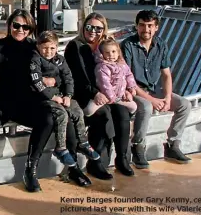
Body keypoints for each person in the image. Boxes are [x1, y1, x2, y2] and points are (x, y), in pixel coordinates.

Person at [0, 9, 92, 191]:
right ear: (9, 25)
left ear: (31, 28)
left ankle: (71, 167)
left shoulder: (35, 46)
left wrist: (55, 81)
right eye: (16, 25)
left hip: (36, 97)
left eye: (25, 26)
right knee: (47, 118)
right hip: (12, 101)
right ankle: (31, 170)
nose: (20, 29)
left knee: (63, 116)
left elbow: (58, 71)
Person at [64, 12, 134, 179]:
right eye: (89, 27)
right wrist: (94, 93)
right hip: (83, 95)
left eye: (98, 28)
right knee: (103, 115)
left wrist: (126, 89)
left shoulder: (107, 47)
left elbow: (122, 70)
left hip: (108, 94)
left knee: (122, 113)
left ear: (104, 30)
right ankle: (96, 163)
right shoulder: (76, 46)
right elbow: (77, 77)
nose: (93, 31)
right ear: (84, 27)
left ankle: (122, 158)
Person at [121, 10, 192, 169]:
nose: (146, 30)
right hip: (133, 91)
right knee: (146, 107)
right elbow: (128, 80)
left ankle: (172, 145)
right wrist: (152, 100)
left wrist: (167, 98)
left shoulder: (161, 44)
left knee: (184, 104)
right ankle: (138, 147)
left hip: (153, 88)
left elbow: (166, 74)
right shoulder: (128, 45)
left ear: (156, 27)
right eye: (142, 25)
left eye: (150, 26)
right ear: (136, 26)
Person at [29, 31, 101, 167]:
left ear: (56, 47)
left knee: (77, 111)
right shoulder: (35, 60)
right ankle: (60, 147)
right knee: (61, 114)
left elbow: (68, 78)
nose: (48, 51)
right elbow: (37, 82)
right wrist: (52, 96)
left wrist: (68, 95)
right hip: (44, 97)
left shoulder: (60, 60)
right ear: (38, 46)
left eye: (52, 48)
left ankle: (83, 142)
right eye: (45, 48)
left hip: (61, 95)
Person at [84, 37, 138, 117]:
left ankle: (130, 121)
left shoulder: (122, 64)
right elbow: (104, 84)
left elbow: (129, 75)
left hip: (120, 95)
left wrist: (131, 87)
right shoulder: (102, 67)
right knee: (89, 110)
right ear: (102, 54)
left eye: (113, 52)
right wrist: (112, 97)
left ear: (118, 52)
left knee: (134, 107)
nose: (111, 55)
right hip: (105, 96)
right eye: (107, 52)